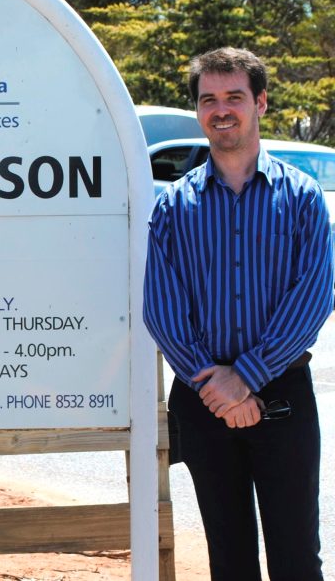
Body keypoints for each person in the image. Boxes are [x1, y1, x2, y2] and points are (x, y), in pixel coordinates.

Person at [144, 47, 333, 581]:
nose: (221, 109)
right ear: (199, 111)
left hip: (283, 397)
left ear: (261, 103)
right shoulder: (172, 206)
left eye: (234, 97)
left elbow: (314, 296)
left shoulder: (301, 197)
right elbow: (161, 306)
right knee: (229, 561)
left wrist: (245, 377)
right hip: (203, 400)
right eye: (209, 100)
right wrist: (217, 386)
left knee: (298, 558)